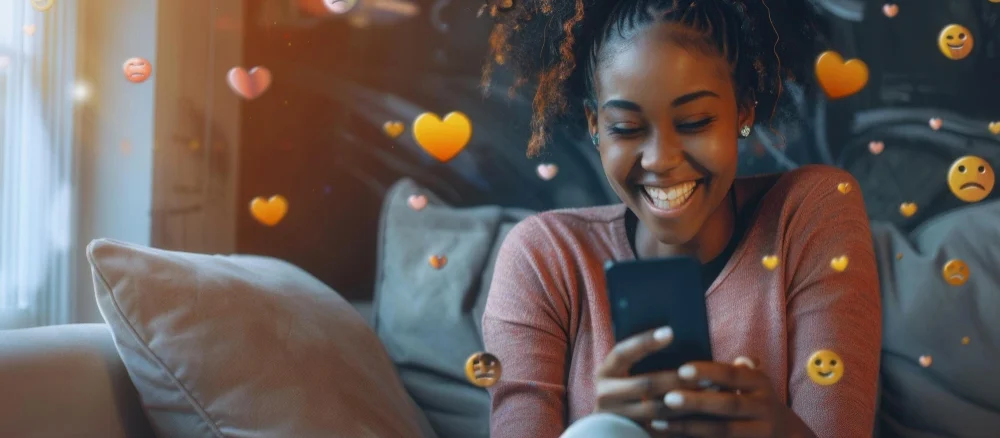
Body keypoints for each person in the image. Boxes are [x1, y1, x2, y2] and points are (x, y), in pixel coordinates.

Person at [479, 0, 881, 437]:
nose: (661, 160)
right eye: (627, 128)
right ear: (595, 124)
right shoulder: (544, 259)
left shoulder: (809, 213)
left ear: (743, 110)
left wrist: (780, 431)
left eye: (694, 122)